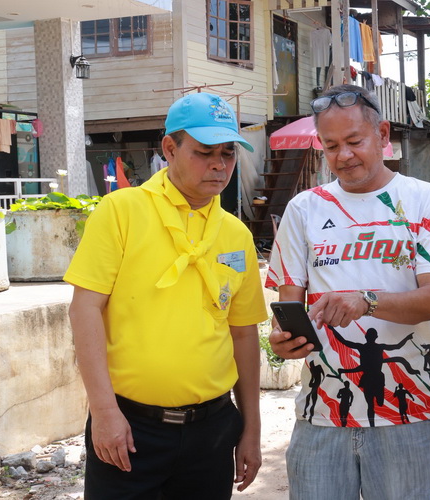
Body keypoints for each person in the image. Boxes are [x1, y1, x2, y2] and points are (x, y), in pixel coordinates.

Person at [64, 92, 267, 499]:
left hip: (212, 431)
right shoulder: (121, 211)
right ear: (170, 149)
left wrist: (251, 429)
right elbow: (84, 310)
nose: (219, 164)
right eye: (204, 152)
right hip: (129, 428)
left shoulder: (236, 234)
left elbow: (243, 334)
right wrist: (104, 412)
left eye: (228, 153)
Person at [265, 84, 430, 499]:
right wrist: (283, 341)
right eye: (331, 145)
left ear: (382, 134)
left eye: (354, 141)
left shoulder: (425, 200)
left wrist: (366, 301)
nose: (344, 156)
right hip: (321, 410)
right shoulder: (303, 209)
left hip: (406, 412)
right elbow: (287, 307)